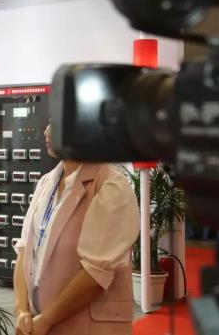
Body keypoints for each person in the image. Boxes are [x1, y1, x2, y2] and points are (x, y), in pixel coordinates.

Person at [13, 122, 140, 335]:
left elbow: (95, 274)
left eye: (56, 124)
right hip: (40, 323)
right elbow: (25, 249)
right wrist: (21, 310)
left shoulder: (111, 187)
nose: (46, 131)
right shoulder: (46, 183)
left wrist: (47, 319)